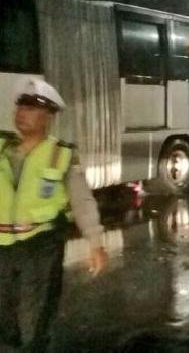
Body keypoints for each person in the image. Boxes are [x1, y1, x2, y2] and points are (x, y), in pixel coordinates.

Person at [0, 79, 108, 351]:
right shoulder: (2, 147)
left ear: (48, 116)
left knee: (35, 317)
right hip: (2, 246)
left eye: (32, 109)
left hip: (41, 245)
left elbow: (82, 200)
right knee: (5, 317)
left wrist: (95, 241)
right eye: (20, 107)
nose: (22, 113)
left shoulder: (61, 154)